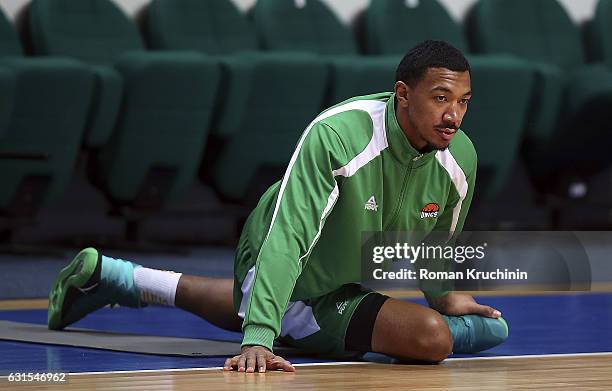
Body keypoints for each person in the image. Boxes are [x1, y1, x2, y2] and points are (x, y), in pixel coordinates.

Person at [47, 40, 508, 373]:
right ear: (403, 94)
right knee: (431, 337)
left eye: (463, 102)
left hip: (343, 274)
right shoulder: (339, 135)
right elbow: (289, 236)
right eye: (440, 98)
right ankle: (262, 309)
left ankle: (118, 279)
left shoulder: (459, 157)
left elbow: (432, 243)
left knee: (478, 328)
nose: (453, 116)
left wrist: (446, 296)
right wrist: (258, 339)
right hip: (276, 247)